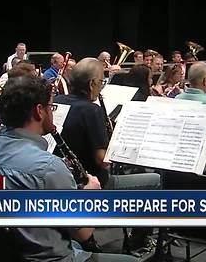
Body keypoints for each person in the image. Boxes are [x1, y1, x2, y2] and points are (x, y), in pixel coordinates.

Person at [0, 76, 137, 262]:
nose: (52, 111)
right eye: (51, 106)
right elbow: (83, 233)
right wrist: (92, 194)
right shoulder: (49, 167)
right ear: (39, 111)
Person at [54, 58, 161, 254]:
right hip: (93, 182)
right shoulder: (91, 110)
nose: (101, 88)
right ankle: (140, 240)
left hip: (65, 180)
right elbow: (102, 160)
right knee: (155, 180)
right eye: (101, 82)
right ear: (91, 84)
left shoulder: (57, 101)